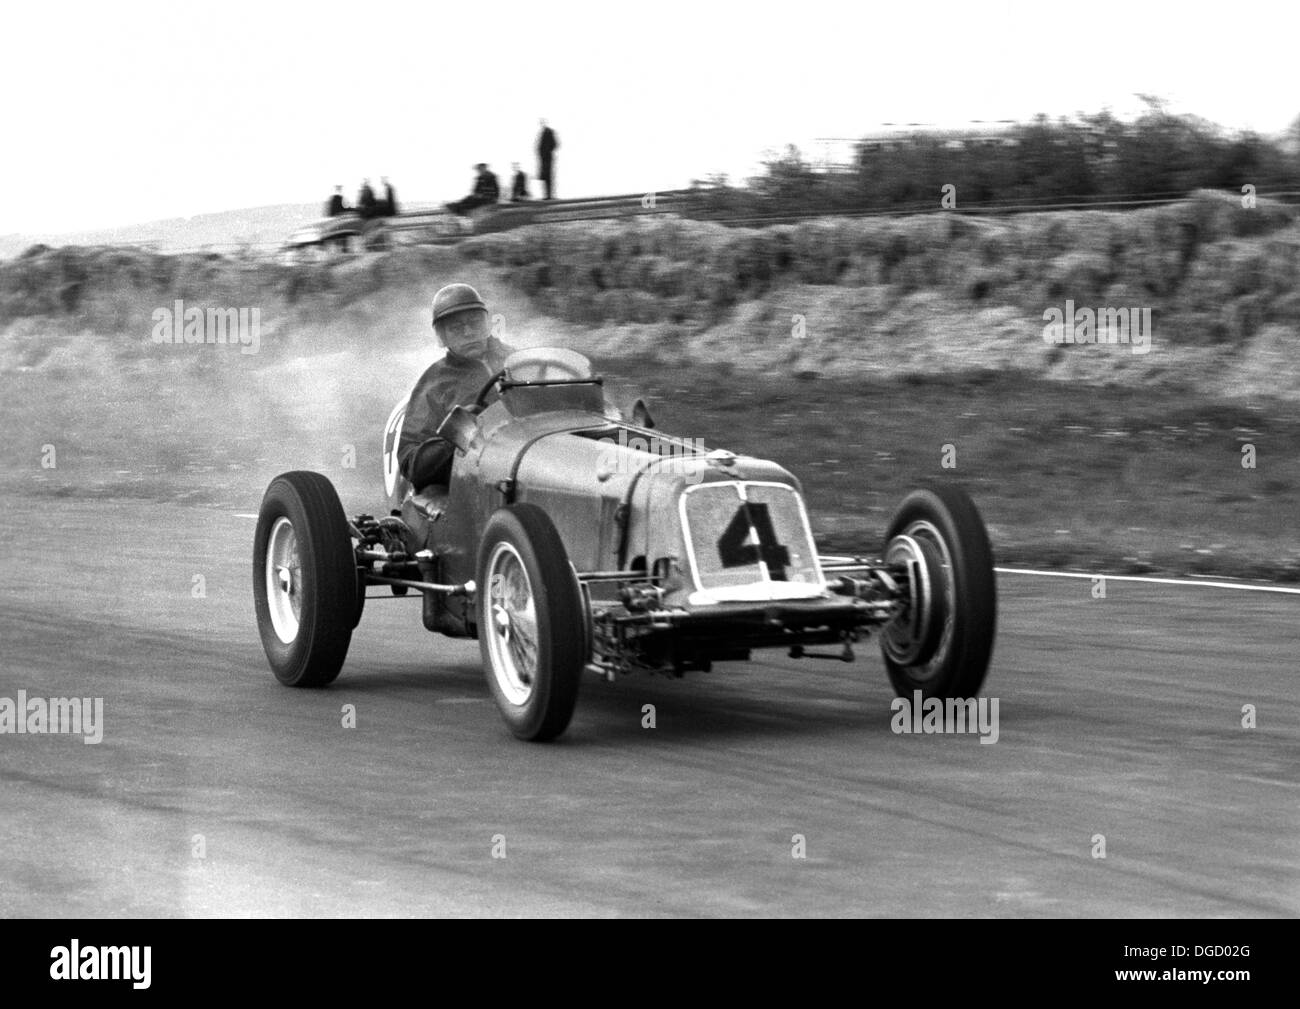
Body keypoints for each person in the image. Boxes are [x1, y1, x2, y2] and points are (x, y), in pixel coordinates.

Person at [397, 283, 514, 491]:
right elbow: (409, 463)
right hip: (476, 484)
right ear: (442, 336)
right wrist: (455, 436)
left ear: (487, 323)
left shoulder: (519, 360)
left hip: (530, 458)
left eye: (475, 322)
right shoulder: (434, 383)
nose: (468, 332)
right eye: (456, 327)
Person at [537, 119, 558, 199]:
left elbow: (555, 144)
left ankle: (550, 195)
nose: (541, 124)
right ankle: (547, 195)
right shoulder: (542, 133)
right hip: (543, 158)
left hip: (548, 158)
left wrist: (548, 151)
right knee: (545, 177)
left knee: (549, 176)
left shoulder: (549, 131)